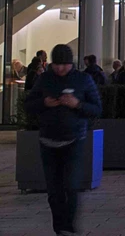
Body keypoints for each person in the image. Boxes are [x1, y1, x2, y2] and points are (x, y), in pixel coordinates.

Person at [25, 43, 101, 236]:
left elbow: (97, 109)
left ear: (71, 63)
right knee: (54, 190)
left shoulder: (83, 80)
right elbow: (29, 104)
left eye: (64, 65)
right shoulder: (44, 79)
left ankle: (68, 227)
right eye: (56, 64)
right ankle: (60, 228)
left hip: (74, 139)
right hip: (48, 140)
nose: (60, 69)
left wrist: (77, 104)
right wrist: (44, 103)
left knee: (71, 186)